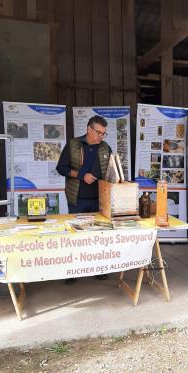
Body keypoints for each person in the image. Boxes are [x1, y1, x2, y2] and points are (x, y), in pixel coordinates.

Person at [56, 115, 111, 283]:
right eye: (99, 132)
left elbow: (110, 171)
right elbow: (61, 168)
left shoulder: (106, 148)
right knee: (76, 235)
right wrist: (81, 175)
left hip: (99, 200)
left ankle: (99, 268)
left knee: (98, 235)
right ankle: (73, 271)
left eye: (103, 133)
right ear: (89, 129)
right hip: (77, 198)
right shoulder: (73, 145)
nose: (101, 136)